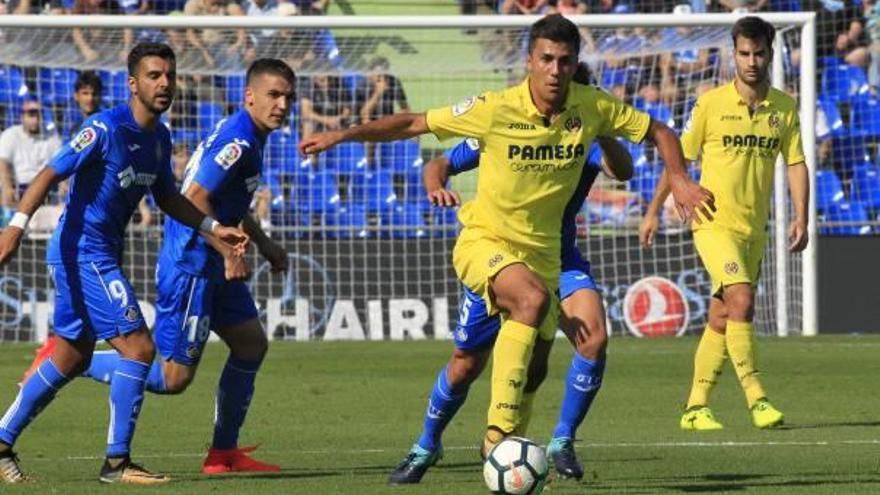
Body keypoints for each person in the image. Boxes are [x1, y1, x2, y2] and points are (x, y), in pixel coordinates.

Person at [300, 13, 711, 461]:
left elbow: (658, 133)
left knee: (537, 366)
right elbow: (416, 125)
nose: (555, 70)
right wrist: (344, 134)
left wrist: (679, 176)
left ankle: (547, 443)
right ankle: (466, 441)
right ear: (529, 61)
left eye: (565, 61)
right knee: (470, 360)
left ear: (576, 64)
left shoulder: (590, 109)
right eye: (547, 59)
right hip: (487, 243)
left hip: (549, 254)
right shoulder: (495, 109)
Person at [0, 42, 249, 484]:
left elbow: (169, 199)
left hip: (103, 252)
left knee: (71, 355)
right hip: (83, 249)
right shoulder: (103, 129)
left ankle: (1, 441)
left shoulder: (159, 138)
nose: (165, 83)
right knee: (139, 348)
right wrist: (15, 229)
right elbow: (48, 173)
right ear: (132, 83)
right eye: (154, 75)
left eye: (169, 75)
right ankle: (116, 463)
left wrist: (212, 228)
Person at [78, 58, 294, 474]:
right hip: (193, 263)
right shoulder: (239, 141)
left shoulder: (251, 136)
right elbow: (195, 196)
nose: (282, 104)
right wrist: (231, 252)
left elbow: (227, 201)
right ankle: (76, 359)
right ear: (250, 96)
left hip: (213, 256)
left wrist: (265, 244)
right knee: (173, 378)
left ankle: (223, 454)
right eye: (273, 95)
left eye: (288, 97)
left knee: (251, 344)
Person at [389, 131, 632, 484]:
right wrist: (435, 187)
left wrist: (605, 128)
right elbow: (441, 163)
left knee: (582, 344)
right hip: (500, 256)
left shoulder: (586, 133)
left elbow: (620, 169)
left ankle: (560, 440)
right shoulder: (508, 123)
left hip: (558, 261)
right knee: (465, 365)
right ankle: (426, 445)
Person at [639, 16, 809, 431]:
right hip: (712, 221)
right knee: (742, 299)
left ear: (770, 54)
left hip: (754, 228)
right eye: (744, 54)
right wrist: (654, 208)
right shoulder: (711, 104)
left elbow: (795, 163)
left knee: (721, 316)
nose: (751, 62)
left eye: (759, 53)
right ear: (734, 54)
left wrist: (802, 214)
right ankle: (758, 397)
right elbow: (680, 162)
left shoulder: (784, 108)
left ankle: (695, 408)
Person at [0, 97, 62, 210]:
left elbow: (61, 163)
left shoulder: (52, 137)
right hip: (19, 188)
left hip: (44, 189)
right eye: (31, 115)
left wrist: (64, 185)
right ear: (22, 116)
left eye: (38, 115)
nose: (36, 119)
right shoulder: (10, 134)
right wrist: (7, 187)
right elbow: (3, 162)